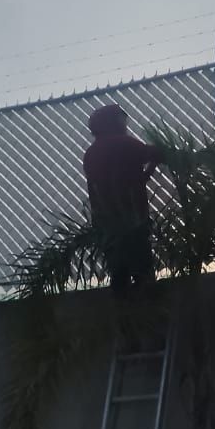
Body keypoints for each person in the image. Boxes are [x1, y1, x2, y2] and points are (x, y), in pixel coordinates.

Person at [82, 104, 164, 300]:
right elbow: (157, 154)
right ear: (113, 123)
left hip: (107, 227)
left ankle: (125, 323)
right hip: (133, 223)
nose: (125, 125)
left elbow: (115, 183)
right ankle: (147, 321)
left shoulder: (91, 154)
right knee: (144, 278)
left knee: (120, 280)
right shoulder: (124, 144)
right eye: (121, 120)